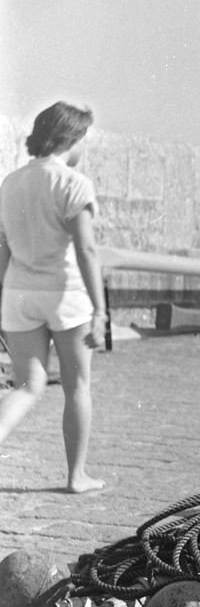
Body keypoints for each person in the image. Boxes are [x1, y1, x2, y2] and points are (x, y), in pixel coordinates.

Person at [0, 102, 106, 493]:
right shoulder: (74, 183)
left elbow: (2, 246)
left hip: (18, 293)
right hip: (65, 295)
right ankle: (76, 476)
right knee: (78, 386)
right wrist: (100, 311)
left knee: (27, 385)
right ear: (71, 139)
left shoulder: (10, 182)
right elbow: (86, 250)